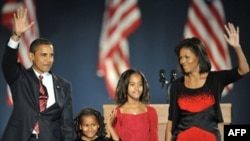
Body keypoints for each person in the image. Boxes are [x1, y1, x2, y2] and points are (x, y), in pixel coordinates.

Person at [165, 22, 249, 141]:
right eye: (180, 58)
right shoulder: (177, 85)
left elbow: (244, 70)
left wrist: (236, 47)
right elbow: (171, 122)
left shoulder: (215, 79)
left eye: (186, 57)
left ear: (198, 57)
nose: (182, 61)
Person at [1, 7, 74, 141]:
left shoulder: (63, 85)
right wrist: (16, 36)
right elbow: (8, 63)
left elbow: (67, 124)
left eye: (51, 55)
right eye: (44, 55)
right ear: (31, 56)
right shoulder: (19, 77)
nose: (49, 59)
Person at [107, 68, 159, 141]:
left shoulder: (151, 112)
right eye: (132, 84)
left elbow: (154, 138)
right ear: (125, 86)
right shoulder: (117, 113)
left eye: (140, 84)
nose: (137, 88)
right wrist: (109, 125)